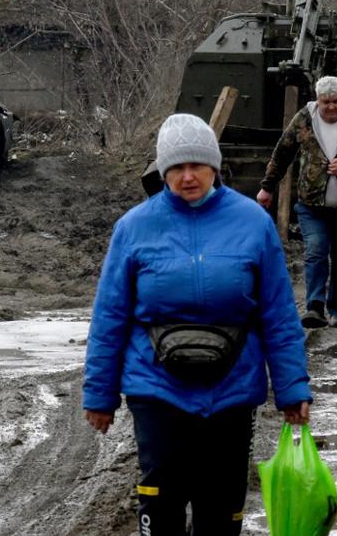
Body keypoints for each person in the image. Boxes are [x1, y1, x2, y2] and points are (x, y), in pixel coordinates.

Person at [83, 113, 312, 536]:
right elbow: (109, 316)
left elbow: (277, 313)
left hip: (232, 391)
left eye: (197, 166)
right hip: (157, 389)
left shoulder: (253, 223)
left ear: (215, 166)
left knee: (221, 509)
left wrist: (292, 387)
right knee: (162, 503)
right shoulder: (133, 228)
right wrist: (100, 394)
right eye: (177, 168)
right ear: (163, 170)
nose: (188, 177)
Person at [256, 76, 337, 330]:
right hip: (311, 205)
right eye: (325, 102)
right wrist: (267, 187)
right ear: (318, 100)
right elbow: (282, 153)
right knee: (315, 251)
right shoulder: (304, 119)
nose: (330, 107)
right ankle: (315, 307)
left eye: (335, 101)